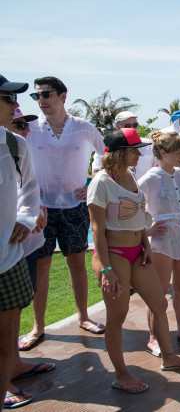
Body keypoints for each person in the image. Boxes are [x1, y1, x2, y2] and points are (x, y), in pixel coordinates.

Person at [88, 128, 180, 394]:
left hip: (137, 252)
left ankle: (169, 357)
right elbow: (97, 231)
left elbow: (140, 218)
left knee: (159, 303)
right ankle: (121, 373)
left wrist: (146, 246)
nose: (140, 154)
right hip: (114, 255)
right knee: (118, 316)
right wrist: (107, 270)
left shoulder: (130, 177)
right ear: (119, 153)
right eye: (134, 150)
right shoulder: (101, 182)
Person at [21, 76, 107, 352]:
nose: (41, 100)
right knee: (41, 266)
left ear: (63, 96)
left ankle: (83, 317)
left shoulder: (83, 128)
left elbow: (104, 152)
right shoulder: (30, 128)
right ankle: (38, 327)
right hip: (41, 208)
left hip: (75, 207)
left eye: (46, 94)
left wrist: (95, 179)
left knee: (77, 262)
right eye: (37, 96)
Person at [138, 131, 180, 355]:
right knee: (158, 293)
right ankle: (153, 337)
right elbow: (133, 209)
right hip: (162, 242)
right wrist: (147, 231)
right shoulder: (148, 180)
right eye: (178, 153)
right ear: (163, 152)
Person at [8, 106, 54, 406]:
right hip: (7, 246)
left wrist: (35, 209)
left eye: (26, 124)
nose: (26, 129)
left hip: (25, 246)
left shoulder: (17, 149)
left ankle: (13, 364)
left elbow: (26, 190)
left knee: (13, 310)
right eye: (19, 124)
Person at [0, 76, 41, 409]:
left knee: (9, 330)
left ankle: (10, 375)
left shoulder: (14, 145)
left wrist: (26, 220)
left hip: (8, 256)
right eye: (8, 98)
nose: (16, 106)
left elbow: (30, 189)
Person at [92, 111, 155, 181]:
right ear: (117, 125)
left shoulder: (149, 144)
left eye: (135, 125)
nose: (132, 128)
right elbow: (96, 174)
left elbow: (157, 168)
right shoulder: (106, 145)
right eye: (128, 126)